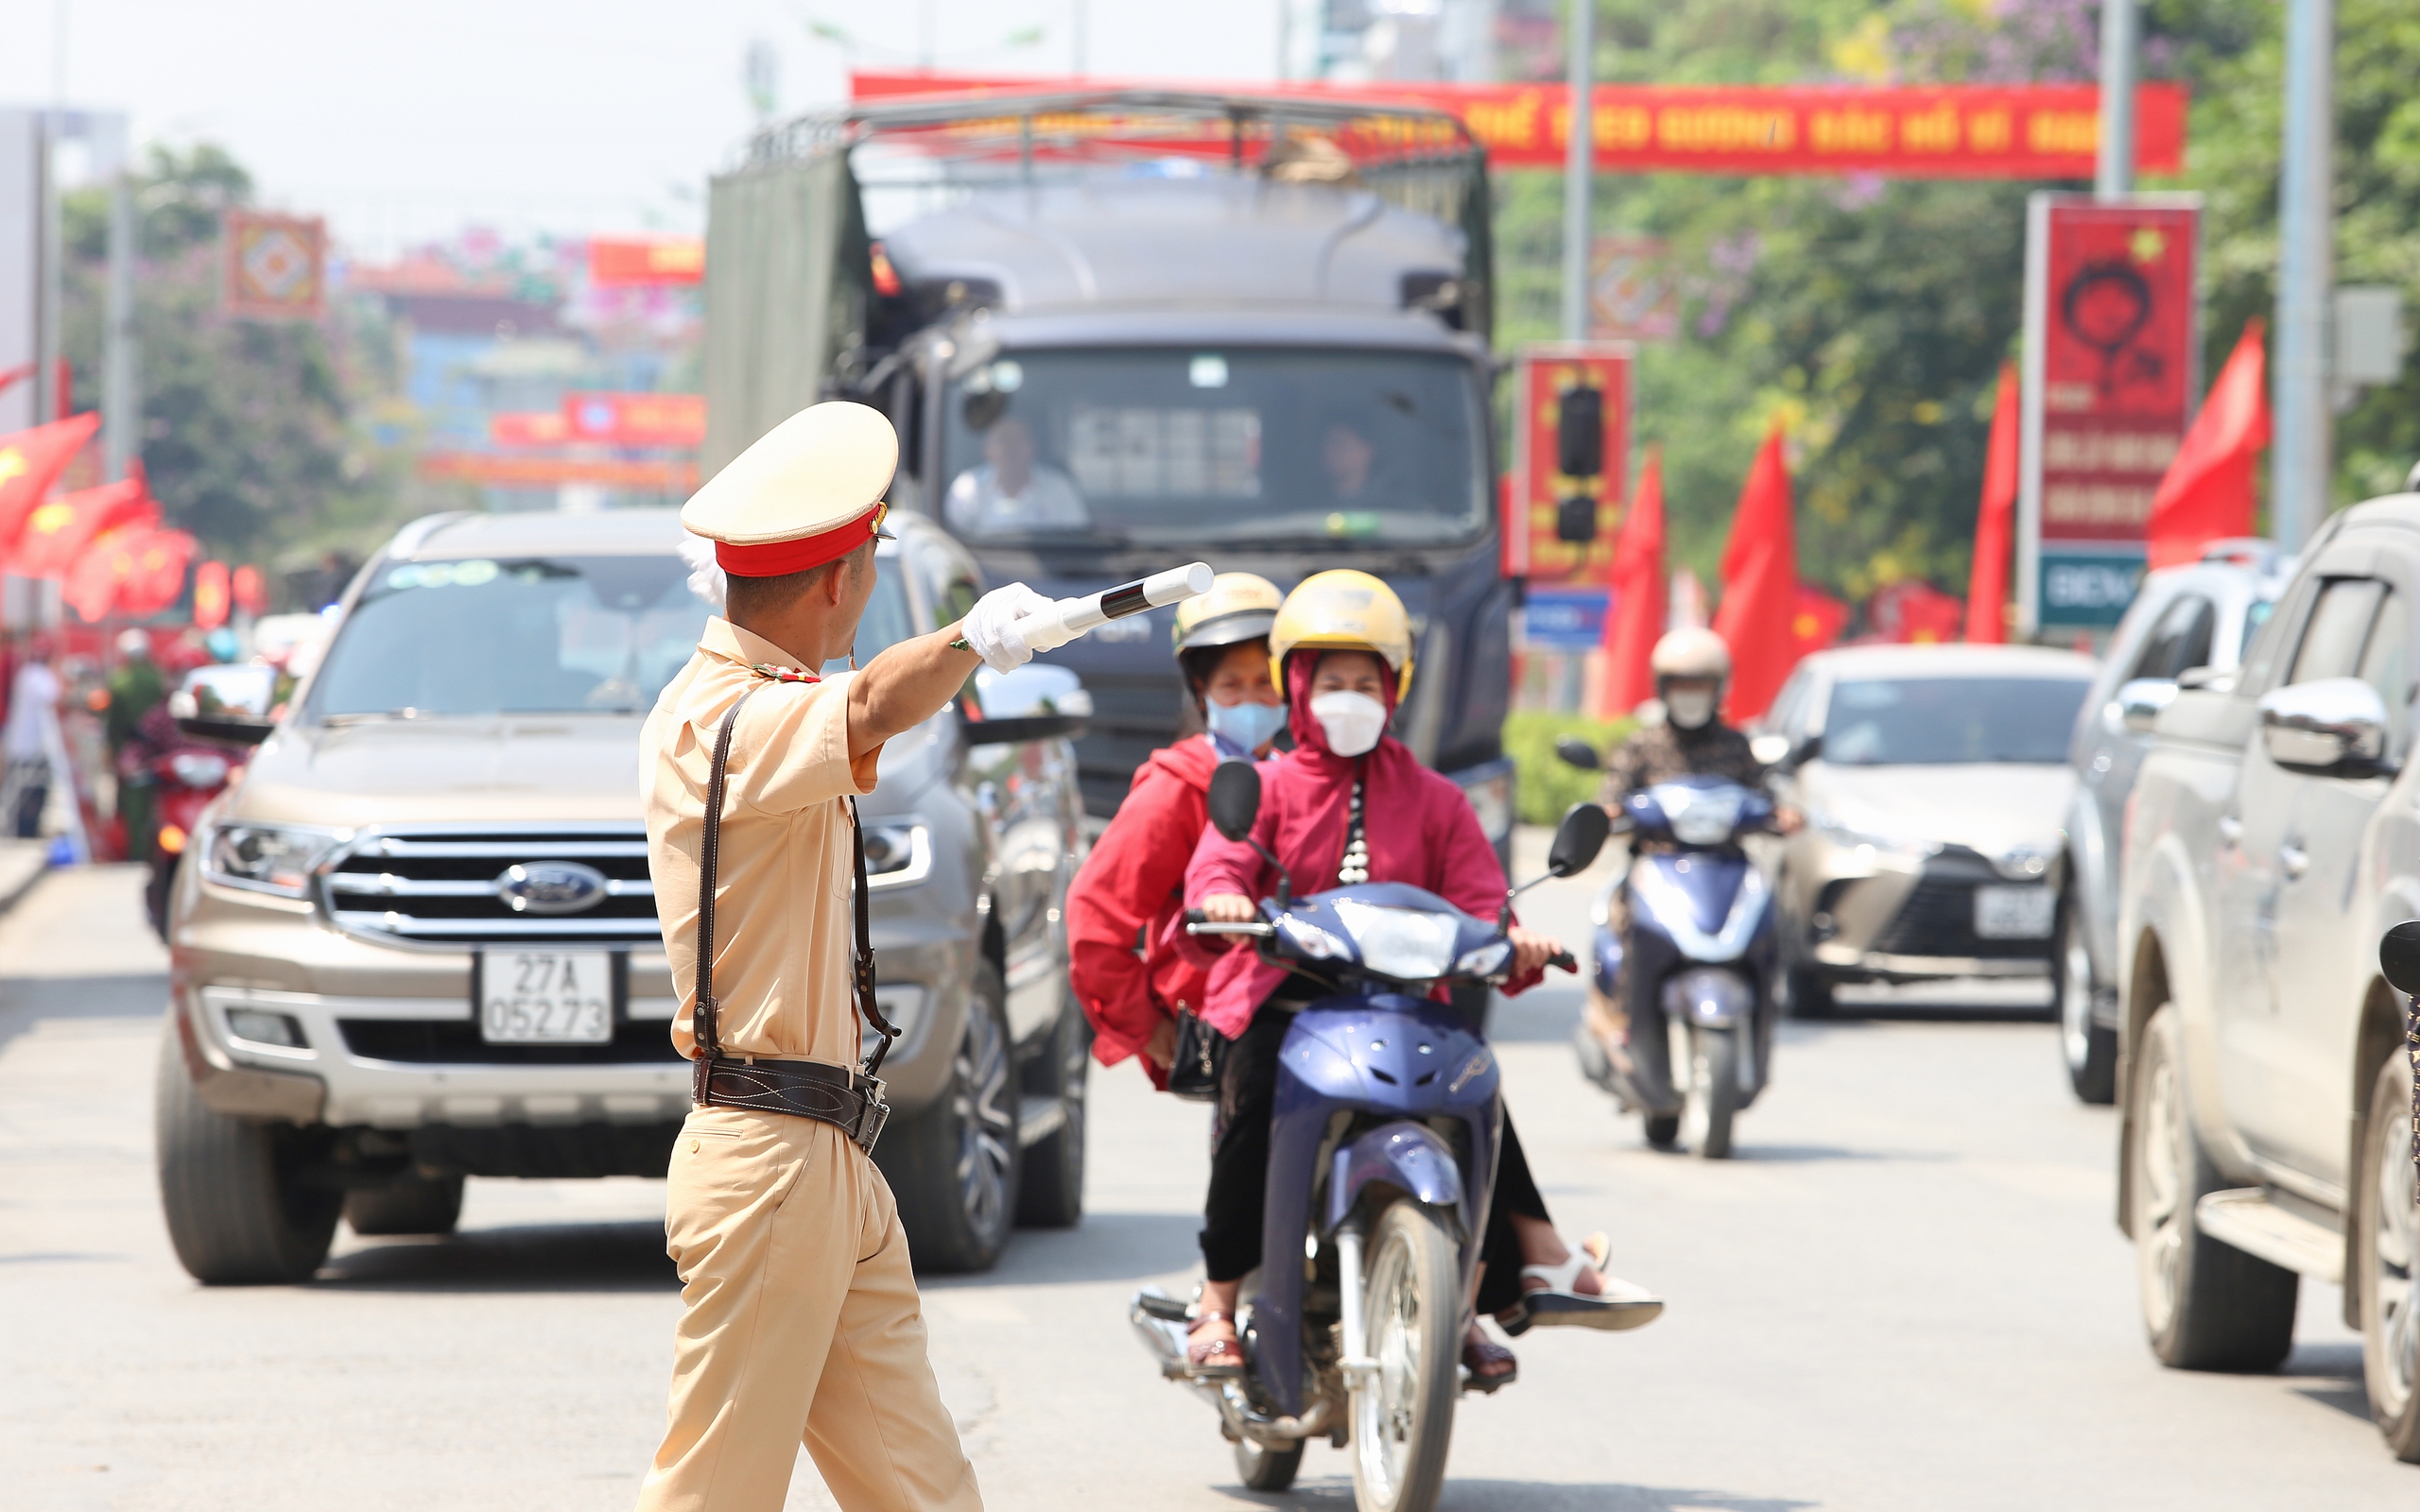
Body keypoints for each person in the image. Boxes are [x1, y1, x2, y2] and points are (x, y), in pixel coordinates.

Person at [635, 399, 1053, 1512]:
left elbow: (853, 709)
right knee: (713, 1491)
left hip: (826, 1151)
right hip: (767, 1154)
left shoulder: (762, 706)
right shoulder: (723, 716)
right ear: (840, 581)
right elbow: (869, 700)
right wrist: (971, 637)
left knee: (920, 1485)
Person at [1186, 570, 1660, 1391]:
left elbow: (1483, 901)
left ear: (1394, 688)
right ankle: (1218, 1302)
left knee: (1472, 1082)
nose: (1347, 697)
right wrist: (1224, 897)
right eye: (1330, 681)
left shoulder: (1438, 800)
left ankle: (1474, 1295)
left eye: (1365, 682)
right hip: (1285, 999)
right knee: (1255, 1096)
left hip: (1402, 1004)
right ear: (1297, 686)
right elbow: (1218, 866)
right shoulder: (1263, 788)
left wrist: (1516, 942)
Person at [1065, 573, 1287, 1087]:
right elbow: (1094, 916)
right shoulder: (1177, 787)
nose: (1252, 699)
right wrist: (1146, 1027)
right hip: (1230, 1034)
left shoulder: (1297, 776)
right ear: (1202, 694)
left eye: (1265, 683)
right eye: (1232, 685)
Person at [1586, 627, 1801, 1116]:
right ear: (1663, 687)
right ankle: (1621, 1024)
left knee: (1772, 928)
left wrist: (1783, 812)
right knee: (1624, 931)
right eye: (1681, 683)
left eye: (1700, 683)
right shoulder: (1642, 746)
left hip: (1726, 866)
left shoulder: (1736, 746)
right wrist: (1611, 813)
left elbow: (1767, 792)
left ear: (1718, 687)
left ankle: (1763, 1011)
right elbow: (1611, 796)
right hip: (1658, 866)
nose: (1690, 694)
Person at [942, 415, 1088, 535]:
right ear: (987, 449)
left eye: (1019, 439)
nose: (1011, 447)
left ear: (1032, 447)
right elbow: (948, 543)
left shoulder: (1059, 489)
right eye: (1003, 439)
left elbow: (1077, 538)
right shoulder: (968, 489)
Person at [3, 644, 61, 839]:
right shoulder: (38, 676)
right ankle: (25, 829)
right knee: (30, 790)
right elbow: (55, 699)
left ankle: (24, 828)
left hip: (24, 744)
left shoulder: (27, 674)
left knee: (25, 789)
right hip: (31, 746)